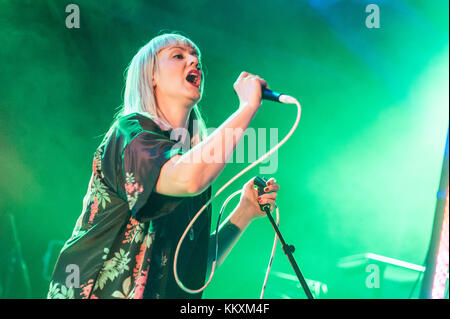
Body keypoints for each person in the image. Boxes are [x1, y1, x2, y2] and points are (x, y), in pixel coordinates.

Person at [47, 33, 280, 299]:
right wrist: (247, 107)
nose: (193, 61)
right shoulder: (131, 133)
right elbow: (188, 179)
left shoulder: (191, 164)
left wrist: (244, 212)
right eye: (178, 55)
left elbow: (190, 276)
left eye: (196, 57)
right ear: (151, 76)